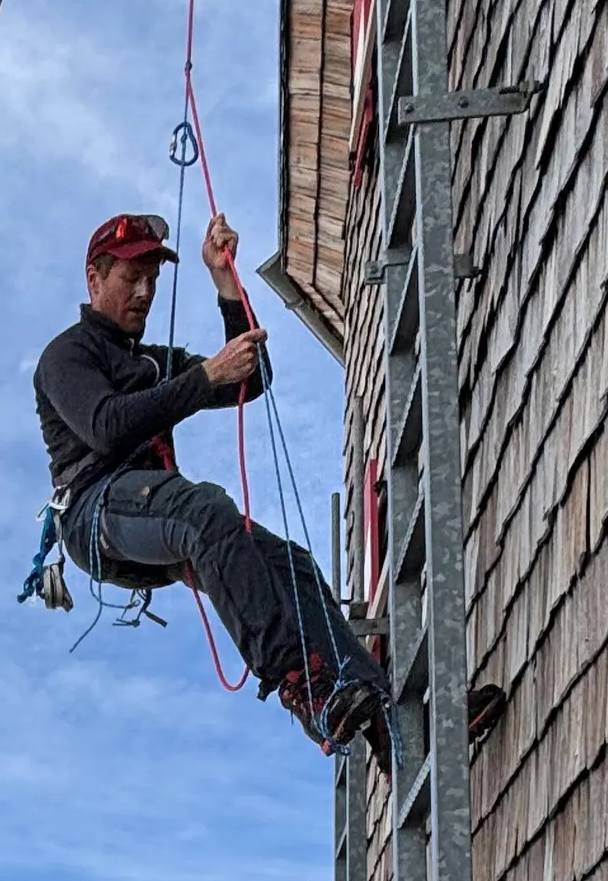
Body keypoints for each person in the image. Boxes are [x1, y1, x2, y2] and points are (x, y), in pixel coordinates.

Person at [33, 209, 395, 761]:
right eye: (132, 277)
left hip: (159, 517)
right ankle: (302, 684)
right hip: (96, 513)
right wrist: (205, 378)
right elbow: (107, 427)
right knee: (204, 511)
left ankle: (393, 727)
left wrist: (226, 285)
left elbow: (251, 378)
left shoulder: (155, 363)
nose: (145, 290)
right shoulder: (68, 355)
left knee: (290, 566)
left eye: (153, 277)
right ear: (95, 278)